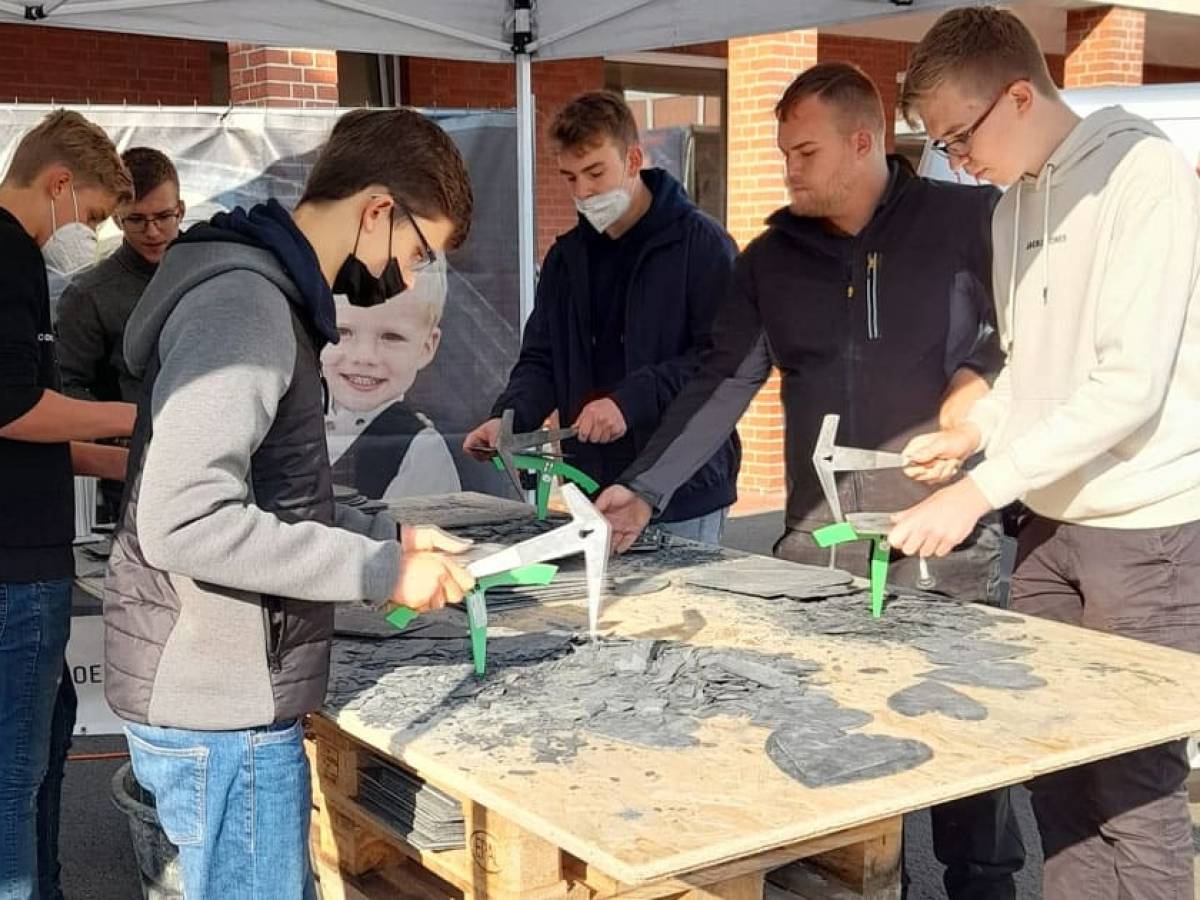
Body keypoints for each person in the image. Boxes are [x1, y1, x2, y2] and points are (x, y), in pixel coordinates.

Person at [596, 63, 1024, 899]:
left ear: (864, 142)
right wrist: (645, 488)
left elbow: (1018, 338)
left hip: (944, 541)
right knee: (830, 761)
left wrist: (971, 401)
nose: (788, 170)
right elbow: (722, 383)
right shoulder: (769, 260)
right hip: (815, 550)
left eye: (804, 152)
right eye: (783, 152)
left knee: (973, 758)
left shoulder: (973, 219)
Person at [102, 108, 477, 900]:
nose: (408, 277)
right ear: (377, 211)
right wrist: (381, 570)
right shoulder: (246, 310)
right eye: (415, 252)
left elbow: (274, 496)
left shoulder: (262, 297)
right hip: (218, 711)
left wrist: (396, 534)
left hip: (224, 693)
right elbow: (185, 519)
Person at [893, 7, 1200, 898]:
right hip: (1050, 527)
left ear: (1020, 94)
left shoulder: (1143, 176)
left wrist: (978, 489)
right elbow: (1031, 369)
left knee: (1135, 793)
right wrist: (972, 431)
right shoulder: (1012, 204)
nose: (955, 160)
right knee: (1056, 770)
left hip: (1148, 532)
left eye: (958, 135)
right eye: (941, 143)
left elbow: (1128, 385)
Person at [462, 90, 739, 543]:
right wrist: (511, 419)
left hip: (680, 489)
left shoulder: (703, 246)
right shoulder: (566, 259)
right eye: (569, 177)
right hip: (590, 487)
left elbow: (723, 367)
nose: (583, 191)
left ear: (633, 159)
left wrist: (630, 402)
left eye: (595, 172)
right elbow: (543, 359)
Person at [0, 108, 135, 900]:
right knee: (14, 781)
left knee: (36, 754)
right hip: (17, 572)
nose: (87, 234)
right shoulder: (9, 256)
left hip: (22, 556)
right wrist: (138, 417)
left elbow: (28, 433)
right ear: (57, 184)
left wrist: (124, 456)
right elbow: (15, 408)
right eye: (89, 216)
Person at [58, 146, 185, 406]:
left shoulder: (218, 272)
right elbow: (67, 385)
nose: (152, 231)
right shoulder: (89, 295)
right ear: (117, 220)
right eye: (136, 219)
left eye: (163, 217)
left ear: (180, 211)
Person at [323, 261, 461, 499]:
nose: (364, 357)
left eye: (391, 337)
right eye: (343, 332)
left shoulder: (420, 452)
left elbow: (418, 536)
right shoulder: (285, 418)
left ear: (427, 347)